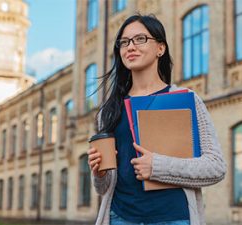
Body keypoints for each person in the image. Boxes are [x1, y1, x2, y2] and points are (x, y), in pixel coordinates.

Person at [87, 14, 226, 225]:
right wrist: (99, 174)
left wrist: (158, 167)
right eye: (124, 42)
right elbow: (103, 188)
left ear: (160, 48)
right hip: (120, 218)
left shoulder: (184, 99)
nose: (130, 47)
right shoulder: (108, 110)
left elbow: (215, 168)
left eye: (140, 39)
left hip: (174, 218)